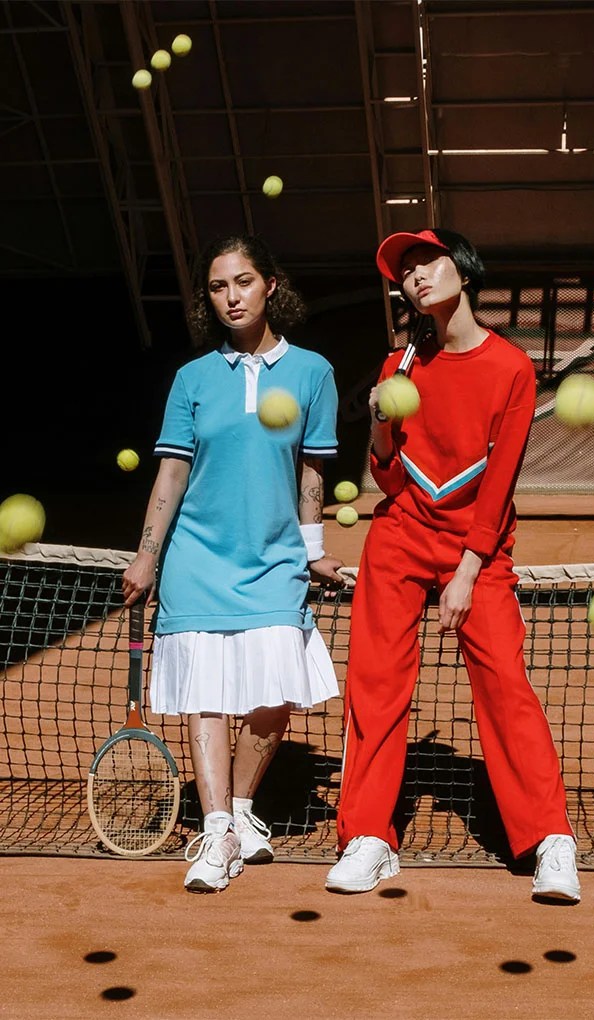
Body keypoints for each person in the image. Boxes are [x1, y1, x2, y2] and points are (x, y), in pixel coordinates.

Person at [325, 227, 580, 904]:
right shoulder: (397, 368)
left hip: (479, 546)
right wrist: (378, 424)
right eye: (405, 272)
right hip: (401, 537)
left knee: (503, 681)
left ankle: (550, 840)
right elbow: (389, 481)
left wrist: (467, 572)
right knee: (375, 682)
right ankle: (369, 838)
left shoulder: (511, 369)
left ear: (463, 270)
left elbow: (497, 486)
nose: (416, 276)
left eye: (427, 261)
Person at [122, 233, 344, 893]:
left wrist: (312, 553)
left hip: (275, 558)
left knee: (274, 694)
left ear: (269, 285)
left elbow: (312, 472)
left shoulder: (313, 373)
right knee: (210, 694)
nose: (231, 297)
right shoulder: (191, 380)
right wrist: (146, 556)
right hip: (197, 558)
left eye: (242, 282)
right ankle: (218, 827)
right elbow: (171, 472)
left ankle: (242, 808)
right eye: (219, 287)